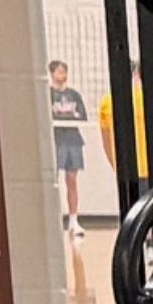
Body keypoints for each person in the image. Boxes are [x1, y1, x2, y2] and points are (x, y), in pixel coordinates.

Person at [47, 58, 93, 233]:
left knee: (72, 180)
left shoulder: (74, 95)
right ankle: (52, 217)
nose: (63, 75)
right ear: (52, 74)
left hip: (73, 140)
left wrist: (69, 115)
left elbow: (82, 116)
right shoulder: (47, 94)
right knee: (52, 180)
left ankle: (73, 220)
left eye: (64, 72)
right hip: (56, 140)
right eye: (59, 72)